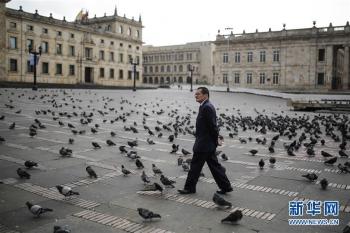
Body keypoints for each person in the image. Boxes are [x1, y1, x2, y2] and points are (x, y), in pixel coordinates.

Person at [178, 87, 233, 195]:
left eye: (198, 94)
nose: (196, 95)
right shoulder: (204, 106)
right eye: (195, 94)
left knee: (195, 167)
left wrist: (216, 140)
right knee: (215, 167)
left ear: (205, 95)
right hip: (207, 144)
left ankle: (189, 188)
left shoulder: (207, 107)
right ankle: (226, 187)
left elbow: (213, 126)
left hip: (204, 144)